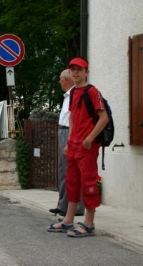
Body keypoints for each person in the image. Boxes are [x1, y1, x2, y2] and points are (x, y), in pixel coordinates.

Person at [46, 57, 108, 237]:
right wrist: (70, 141)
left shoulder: (92, 92)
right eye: (72, 69)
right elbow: (72, 117)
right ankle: (68, 221)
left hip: (87, 146)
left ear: (86, 72)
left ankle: (89, 224)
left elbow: (104, 118)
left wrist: (89, 139)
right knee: (72, 183)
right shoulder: (73, 93)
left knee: (88, 183)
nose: (75, 72)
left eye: (79, 69)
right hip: (74, 145)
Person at [49, 69, 85, 217]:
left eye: (60, 79)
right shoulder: (68, 95)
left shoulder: (75, 94)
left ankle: (76, 207)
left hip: (70, 132)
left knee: (72, 170)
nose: (59, 82)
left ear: (65, 80)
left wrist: (70, 140)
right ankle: (63, 204)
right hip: (63, 130)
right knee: (63, 170)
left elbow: (76, 119)